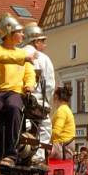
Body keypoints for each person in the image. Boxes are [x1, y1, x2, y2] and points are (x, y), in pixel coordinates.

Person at [0, 13, 36, 167]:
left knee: (15, 106)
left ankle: (11, 153)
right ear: (10, 34)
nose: (23, 35)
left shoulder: (22, 54)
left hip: (15, 92)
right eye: (20, 32)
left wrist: (29, 86)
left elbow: (30, 73)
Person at [22, 22, 56, 164]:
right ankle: (38, 155)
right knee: (45, 125)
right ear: (35, 41)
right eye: (43, 41)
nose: (45, 45)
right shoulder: (43, 58)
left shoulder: (18, 52)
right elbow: (49, 85)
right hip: (35, 100)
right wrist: (47, 101)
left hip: (18, 96)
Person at [49, 86, 75, 159]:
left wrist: (45, 138)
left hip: (61, 148)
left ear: (56, 96)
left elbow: (56, 132)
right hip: (64, 147)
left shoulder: (62, 110)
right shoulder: (66, 109)